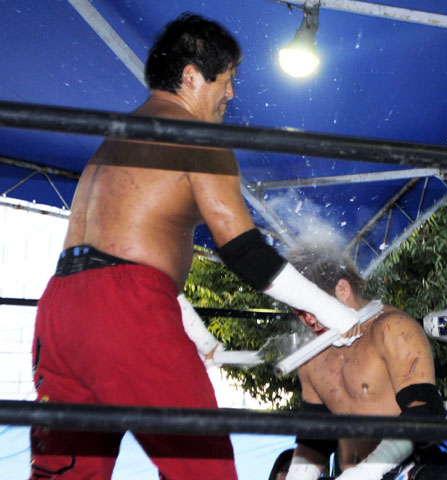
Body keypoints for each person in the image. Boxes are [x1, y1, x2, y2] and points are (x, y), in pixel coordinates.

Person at [30, 13, 360, 480]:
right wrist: (334, 312)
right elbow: (244, 251)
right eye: (227, 79)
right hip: (126, 311)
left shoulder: (114, 139)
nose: (231, 94)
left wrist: (193, 329)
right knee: (203, 471)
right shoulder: (197, 135)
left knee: (65, 473)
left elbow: (116, 255)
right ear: (191, 76)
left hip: (59, 312)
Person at [285, 245, 447, 480]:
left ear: (342, 289)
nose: (307, 318)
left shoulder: (392, 329)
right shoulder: (312, 356)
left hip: (412, 470)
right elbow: (315, 438)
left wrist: (368, 472)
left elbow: (424, 411)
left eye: (311, 305)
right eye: (299, 311)